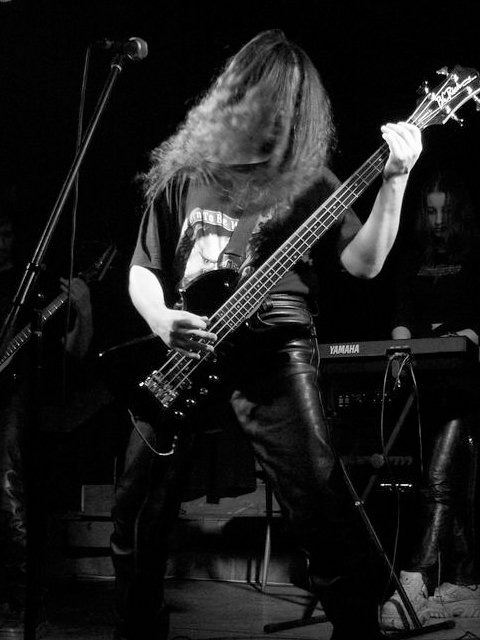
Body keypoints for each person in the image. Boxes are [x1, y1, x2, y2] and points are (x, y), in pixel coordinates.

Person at [111, 29, 422, 640]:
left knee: (321, 505)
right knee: (136, 512)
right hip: (186, 352)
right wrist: (159, 319)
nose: (276, 111)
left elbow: (364, 264)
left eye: (289, 101)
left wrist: (395, 180)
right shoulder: (186, 176)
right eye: (266, 94)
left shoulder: (310, 180)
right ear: (237, 93)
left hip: (275, 348)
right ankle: (137, 630)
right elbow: (143, 269)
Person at [380, 166, 480, 630]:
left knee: (438, 479)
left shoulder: (474, 254)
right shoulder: (414, 256)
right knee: (445, 480)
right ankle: (465, 583)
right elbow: (402, 310)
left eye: (445, 212)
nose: (438, 221)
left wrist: (461, 336)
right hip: (427, 381)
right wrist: (401, 344)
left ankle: (413, 583)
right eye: (430, 212)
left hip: (467, 384)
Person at [0, 203, 95, 636]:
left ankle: (20, 603)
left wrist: (83, 309)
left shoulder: (31, 290)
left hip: (15, 400)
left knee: (7, 489)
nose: (1, 243)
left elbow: (73, 355)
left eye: (6, 233)